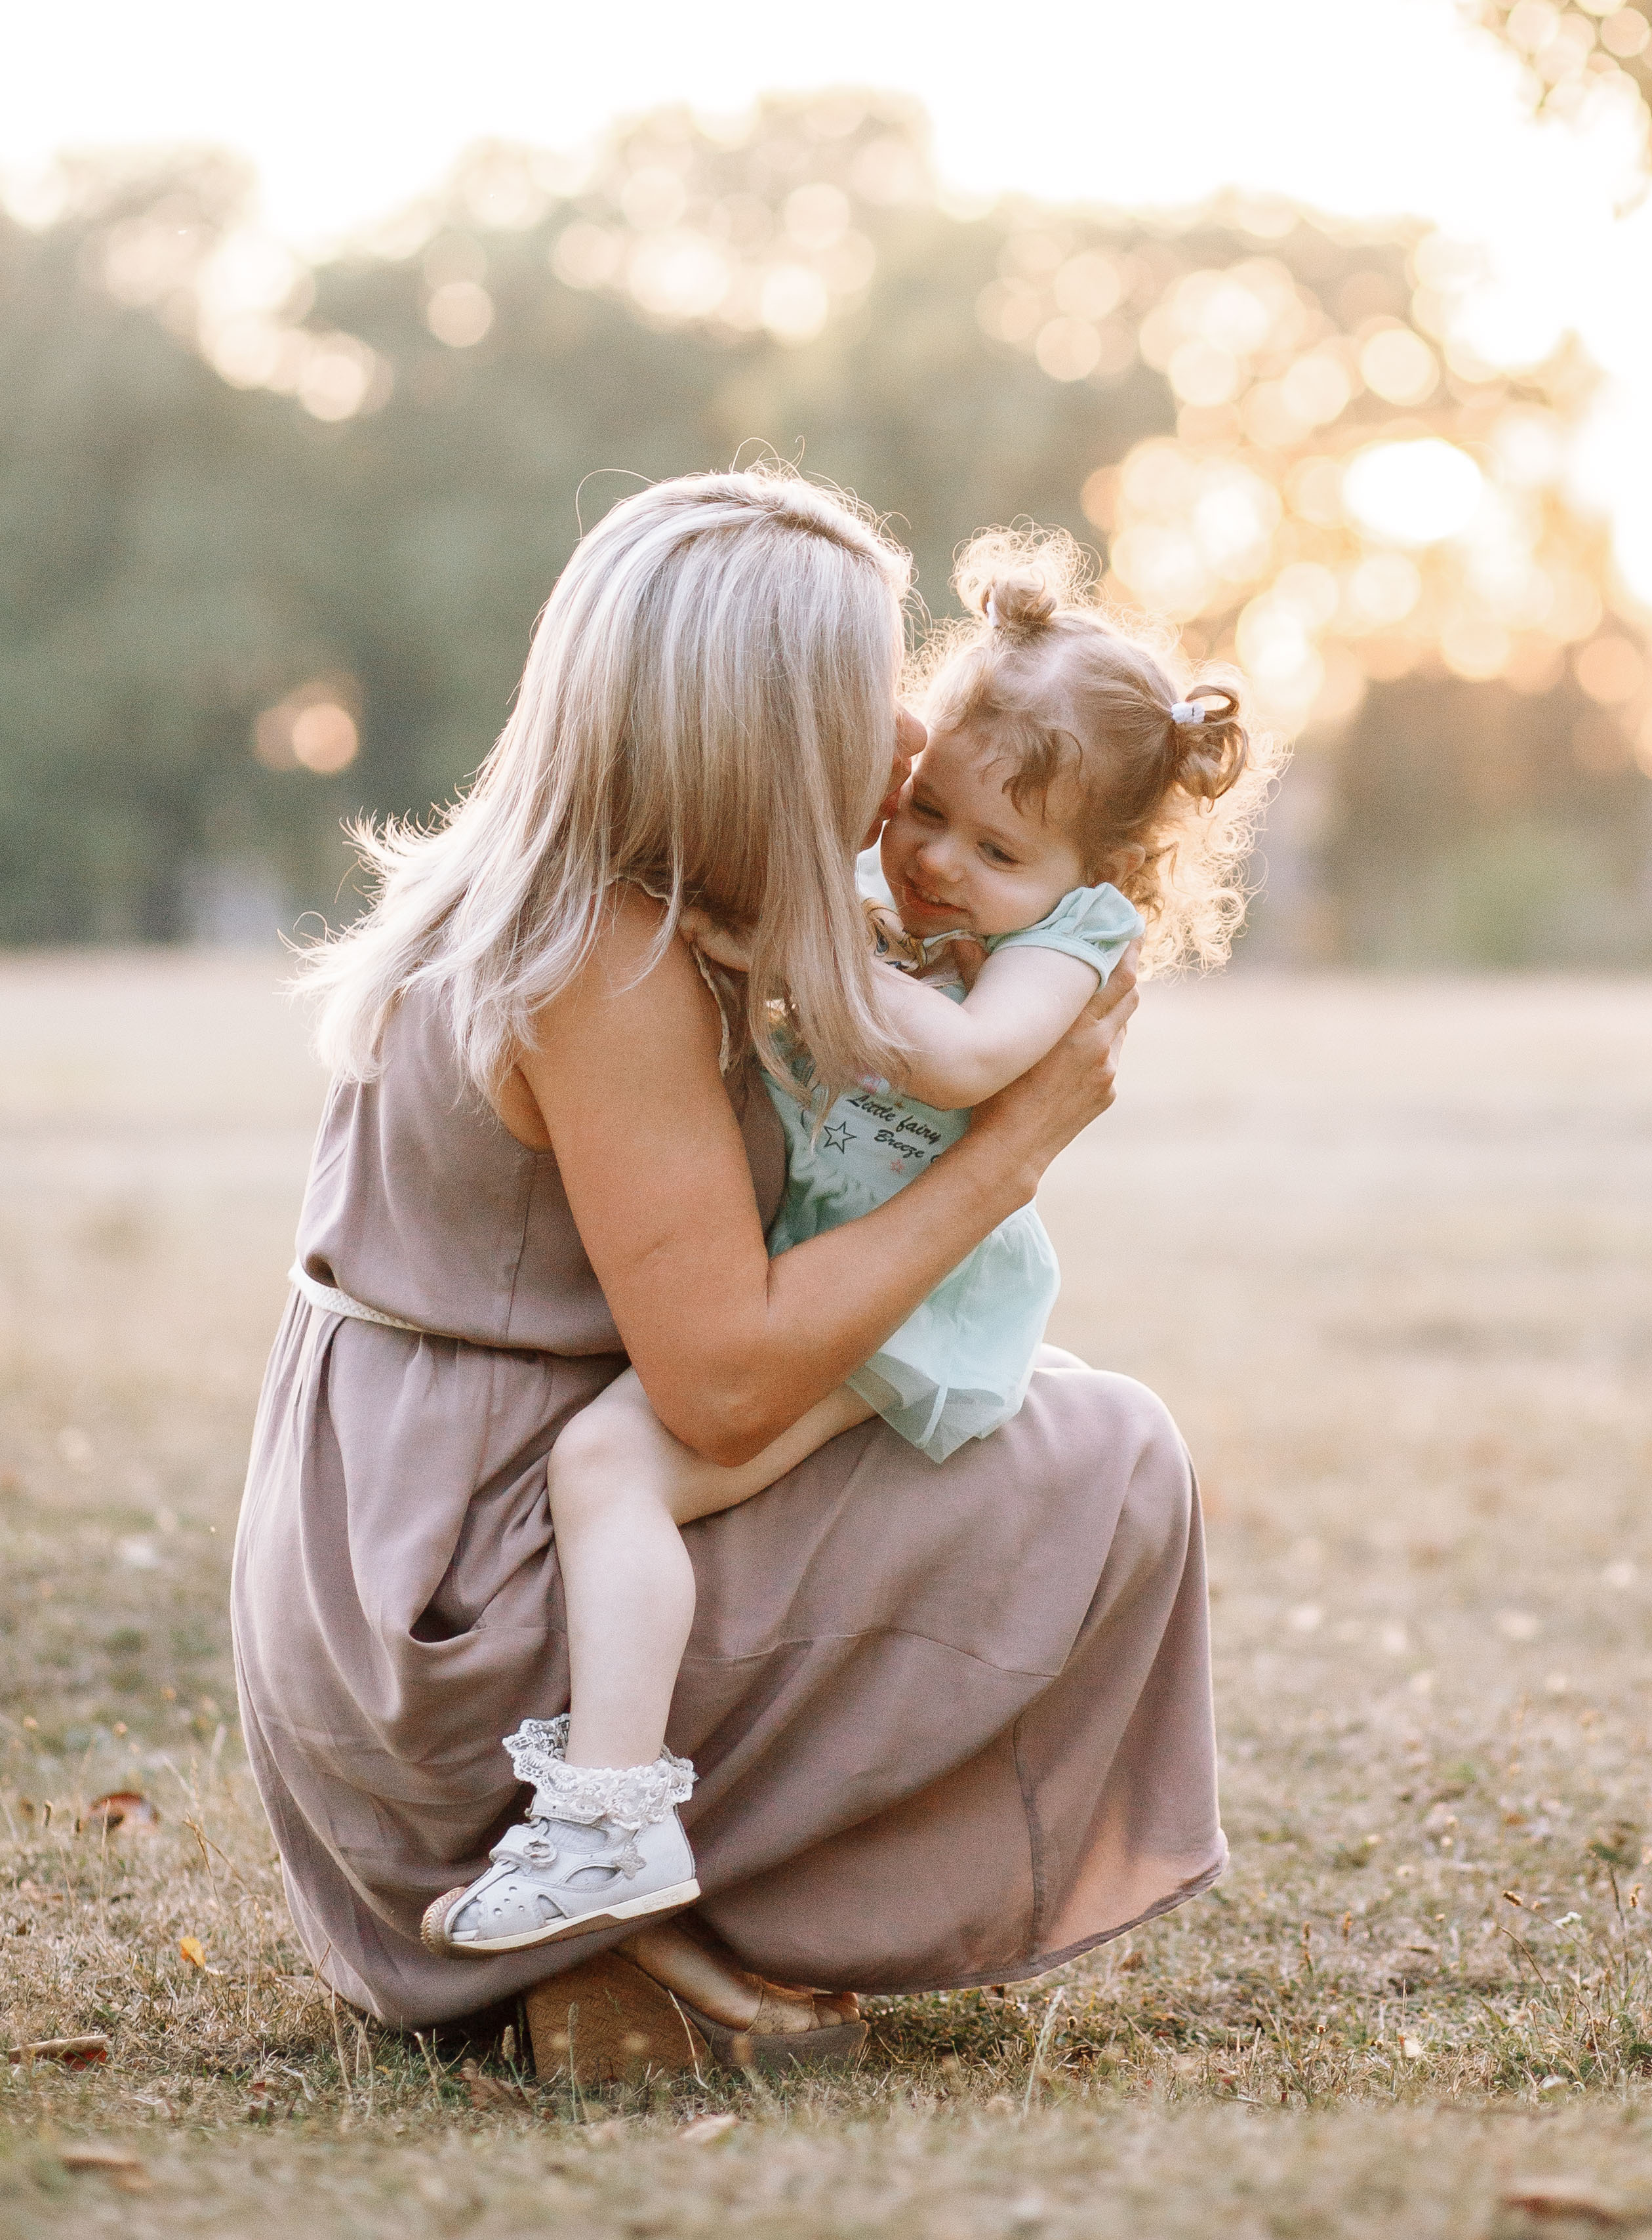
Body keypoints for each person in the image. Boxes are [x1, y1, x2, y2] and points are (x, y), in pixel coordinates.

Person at [232, 470, 1229, 2066]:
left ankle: (649, 1917)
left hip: (425, 1546)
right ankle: (617, 1879)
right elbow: (718, 1377)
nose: (910, 743)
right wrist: (1011, 1152)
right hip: (461, 1609)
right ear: (752, 730)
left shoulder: (608, 893)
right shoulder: (604, 957)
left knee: (1023, 1413)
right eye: (869, 701)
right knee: (1098, 1461)